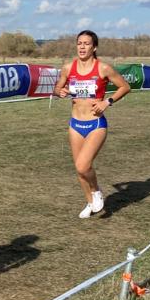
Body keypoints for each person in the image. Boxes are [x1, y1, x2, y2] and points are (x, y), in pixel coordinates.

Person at [53, 30, 130, 218]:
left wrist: (107, 102)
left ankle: (96, 192)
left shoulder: (103, 68)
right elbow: (57, 87)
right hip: (75, 124)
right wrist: (59, 92)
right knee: (79, 169)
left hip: (96, 124)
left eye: (86, 43)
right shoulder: (68, 67)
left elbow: (125, 86)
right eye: (79, 43)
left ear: (94, 47)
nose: (82, 46)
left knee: (82, 165)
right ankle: (90, 202)